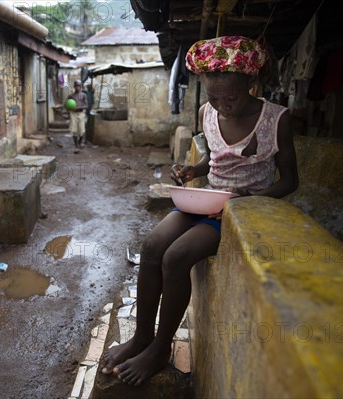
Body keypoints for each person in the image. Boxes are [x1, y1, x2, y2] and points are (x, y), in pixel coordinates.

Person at [100, 36, 299, 386]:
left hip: (240, 214)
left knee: (176, 258)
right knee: (151, 246)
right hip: (205, 200)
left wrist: (246, 202)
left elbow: (290, 181)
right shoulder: (207, 113)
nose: (222, 106)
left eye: (231, 98)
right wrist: (193, 171)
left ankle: (161, 348)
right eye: (213, 97)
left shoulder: (276, 120)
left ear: (250, 84)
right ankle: (143, 336)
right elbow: (215, 160)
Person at [68, 80, 88, 153]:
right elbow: (67, 105)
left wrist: (78, 107)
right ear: (74, 87)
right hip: (73, 114)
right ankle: (76, 146)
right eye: (76, 86)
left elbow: (86, 105)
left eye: (79, 86)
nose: (77, 87)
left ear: (81, 87)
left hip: (81, 114)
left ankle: (79, 143)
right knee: (74, 130)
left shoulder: (83, 95)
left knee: (82, 130)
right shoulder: (71, 96)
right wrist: (69, 108)